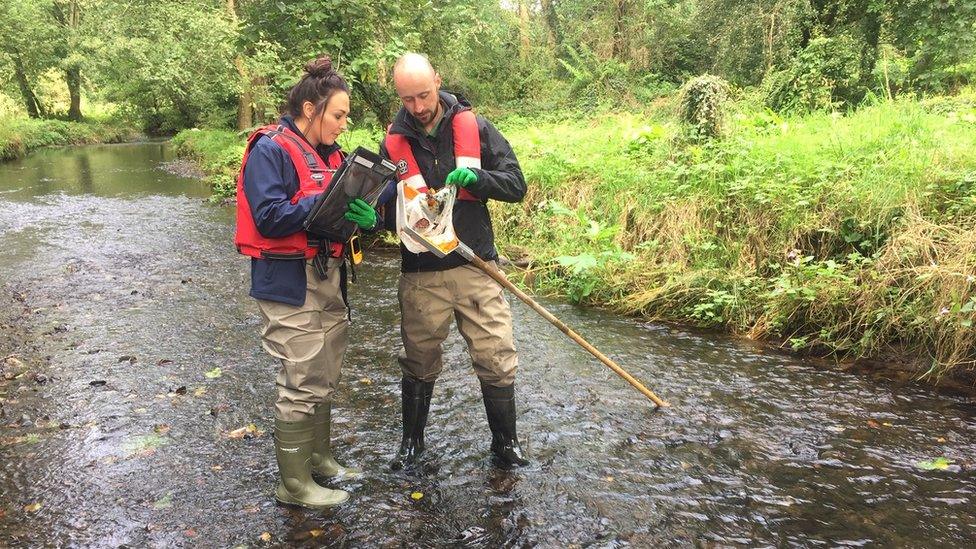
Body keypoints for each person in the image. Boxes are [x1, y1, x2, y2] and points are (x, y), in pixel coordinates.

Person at [234, 56, 378, 509]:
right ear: (312, 109)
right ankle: (293, 485)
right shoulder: (270, 150)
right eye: (338, 115)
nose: (342, 123)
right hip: (286, 280)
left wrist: (361, 214)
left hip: (328, 274)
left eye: (346, 117)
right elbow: (269, 216)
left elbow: (336, 214)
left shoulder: (333, 155)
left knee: (325, 368)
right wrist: (323, 204)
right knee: (301, 374)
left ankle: (320, 457)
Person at [378, 52, 530, 469]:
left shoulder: (475, 127)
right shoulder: (392, 142)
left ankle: (506, 444)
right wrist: (370, 216)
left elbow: (516, 185)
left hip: (476, 265)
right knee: (418, 358)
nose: (418, 108)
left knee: (495, 354)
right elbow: (381, 206)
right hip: (422, 273)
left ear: (438, 82)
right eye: (407, 100)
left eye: (423, 95)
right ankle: (412, 445)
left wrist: (478, 178)